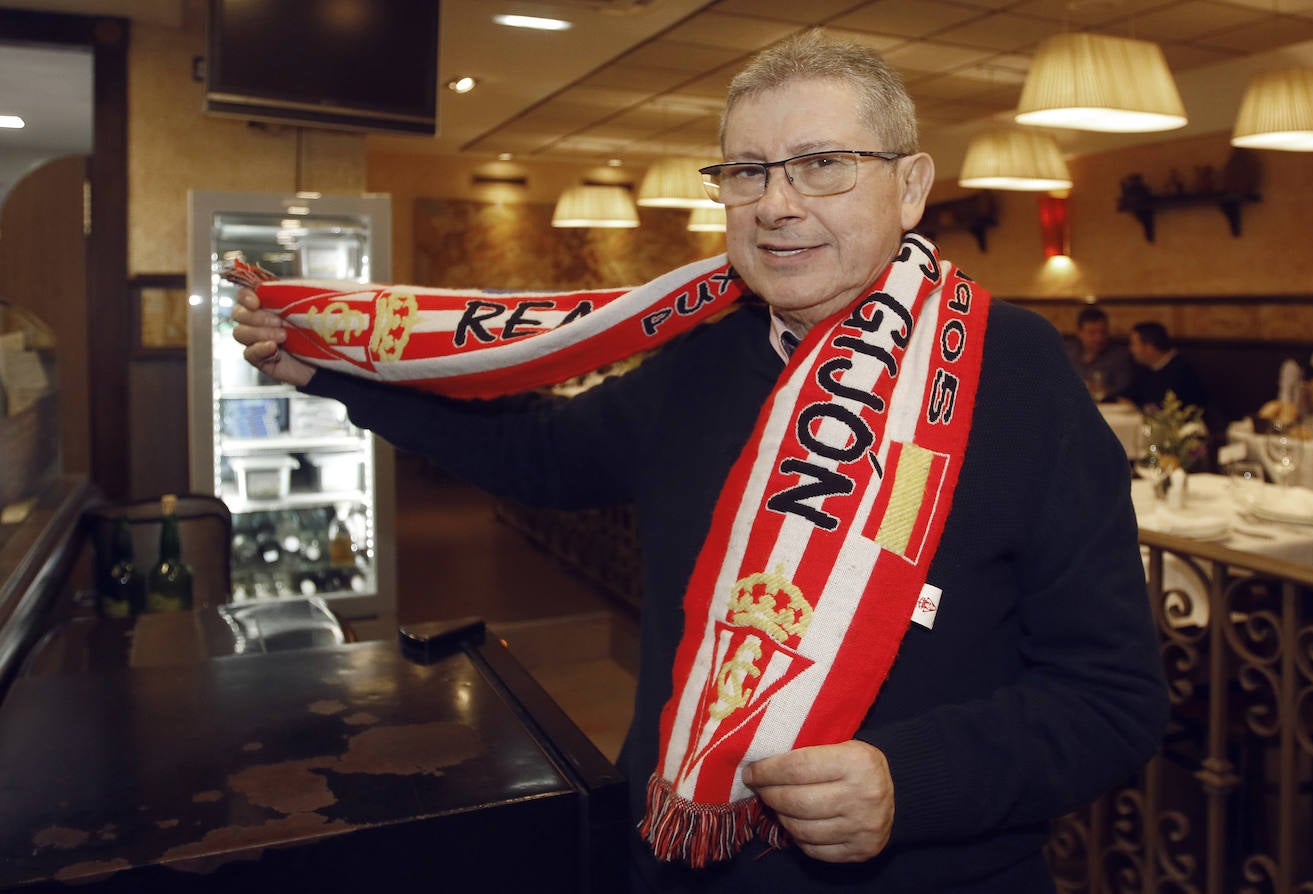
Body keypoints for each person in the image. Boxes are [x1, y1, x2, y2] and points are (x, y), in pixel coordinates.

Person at [232, 31, 1167, 893]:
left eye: (824, 166)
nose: (777, 204)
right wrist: (335, 369)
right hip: (681, 862)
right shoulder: (705, 355)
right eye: (748, 171)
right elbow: (541, 454)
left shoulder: (1017, 371)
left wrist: (908, 783)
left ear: (911, 186)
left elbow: (1111, 699)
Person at [1122, 320, 1208, 412]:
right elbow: (1128, 394)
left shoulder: (1181, 371)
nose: (1131, 349)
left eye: (1134, 344)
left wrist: (1136, 405)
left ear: (1149, 347)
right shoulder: (1146, 368)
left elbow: (1165, 408)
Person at [1063, 306, 1134, 401]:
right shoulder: (1066, 352)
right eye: (1092, 333)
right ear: (1079, 333)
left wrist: (1101, 390)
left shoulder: (1119, 355)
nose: (1098, 338)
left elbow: (1124, 387)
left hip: (1107, 407)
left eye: (1103, 332)